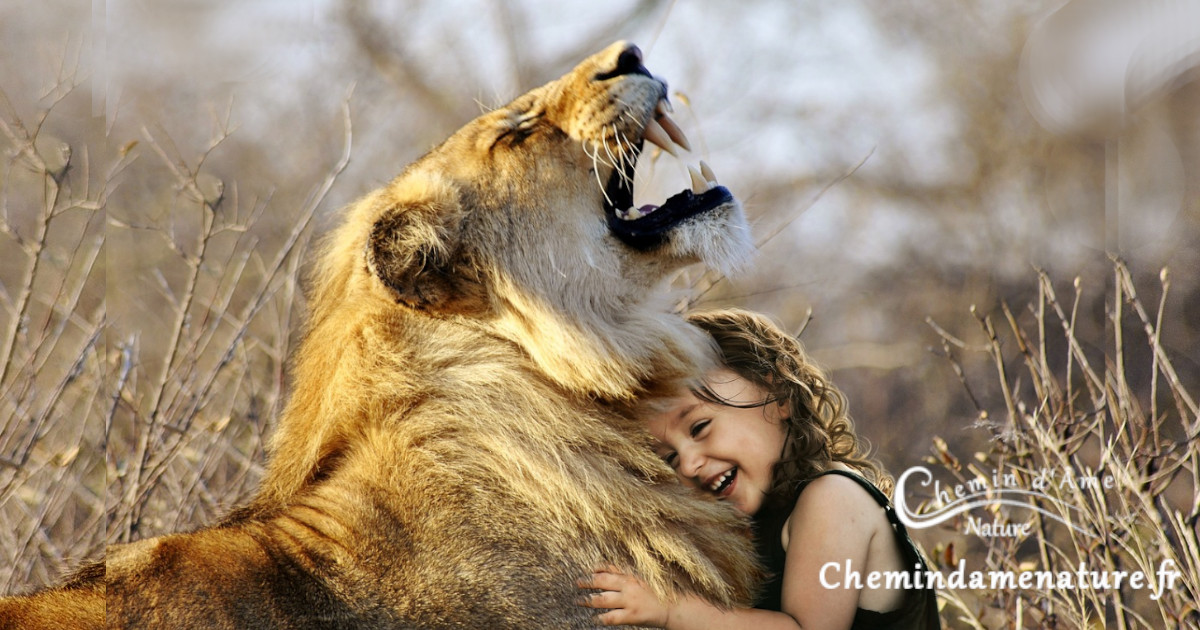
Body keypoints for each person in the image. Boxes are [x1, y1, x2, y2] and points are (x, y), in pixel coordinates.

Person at [577, 308, 940, 629]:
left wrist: (671, 610)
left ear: (777, 391)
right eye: (669, 458)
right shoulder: (756, 524)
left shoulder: (834, 498)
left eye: (700, 428)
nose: (688, 463)